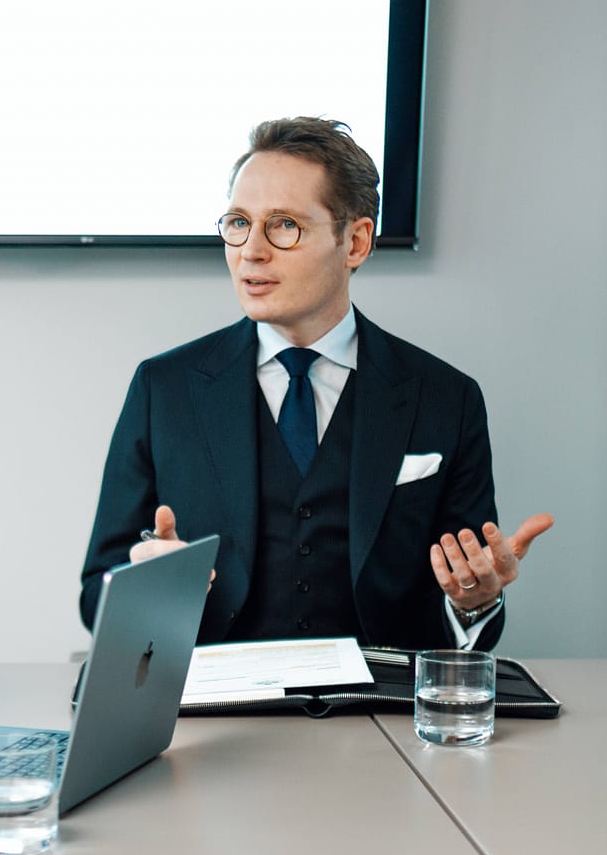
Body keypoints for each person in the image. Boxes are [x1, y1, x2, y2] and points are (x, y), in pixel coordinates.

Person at [81, 117, 553, 651]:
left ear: (355, 242)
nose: (251, 251)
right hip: (217, 695)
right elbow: (97, 593)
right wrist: (148, 590)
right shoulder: (163, 389)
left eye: (284, 225)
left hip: (379, 695)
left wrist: (474, 602)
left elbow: (466, 593)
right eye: (238, 223)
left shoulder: (447, 398)